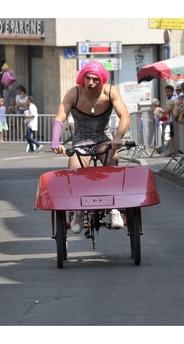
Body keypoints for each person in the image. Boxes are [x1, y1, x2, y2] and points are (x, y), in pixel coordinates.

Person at [50, 61, 129, 233]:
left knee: (113, 159)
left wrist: (117, 137)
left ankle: (114, 209)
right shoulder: (74, 93)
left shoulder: (110, 92)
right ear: (82, 78)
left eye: (95, 79)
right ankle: (79, 211)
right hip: (81, 141)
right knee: (74, 171)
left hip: (103, 139)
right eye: (87, 78)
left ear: (102, 81)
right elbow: (59, 117)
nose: (91, 83)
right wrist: (55, 141)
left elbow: (124, 116)